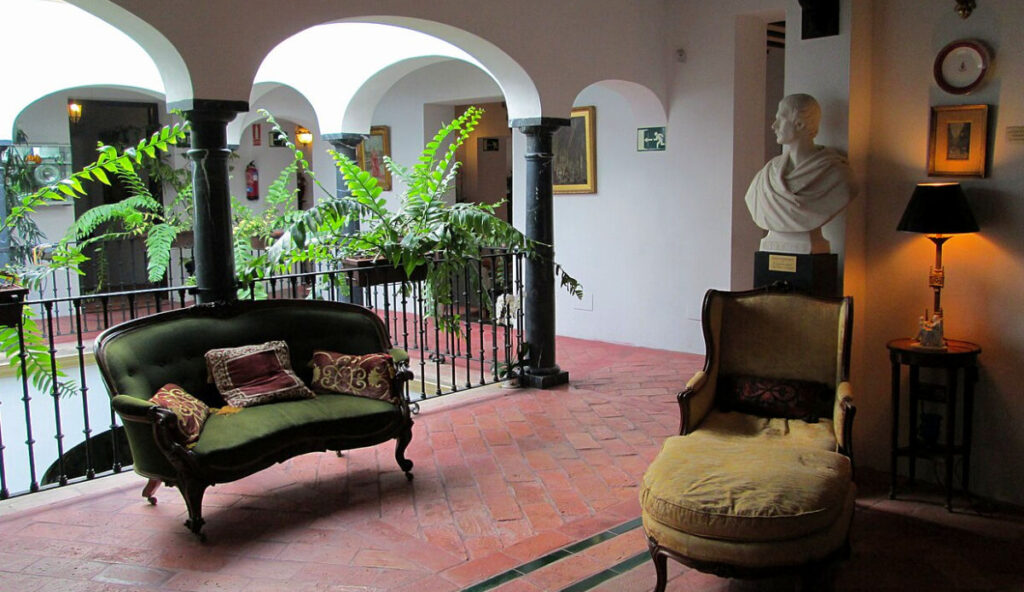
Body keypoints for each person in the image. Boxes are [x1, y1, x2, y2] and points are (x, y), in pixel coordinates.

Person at [745, 94, 856, 252]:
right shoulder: (767, 175)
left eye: (780, 119)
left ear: (799, 123)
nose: (774, 126)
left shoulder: (838, 176)